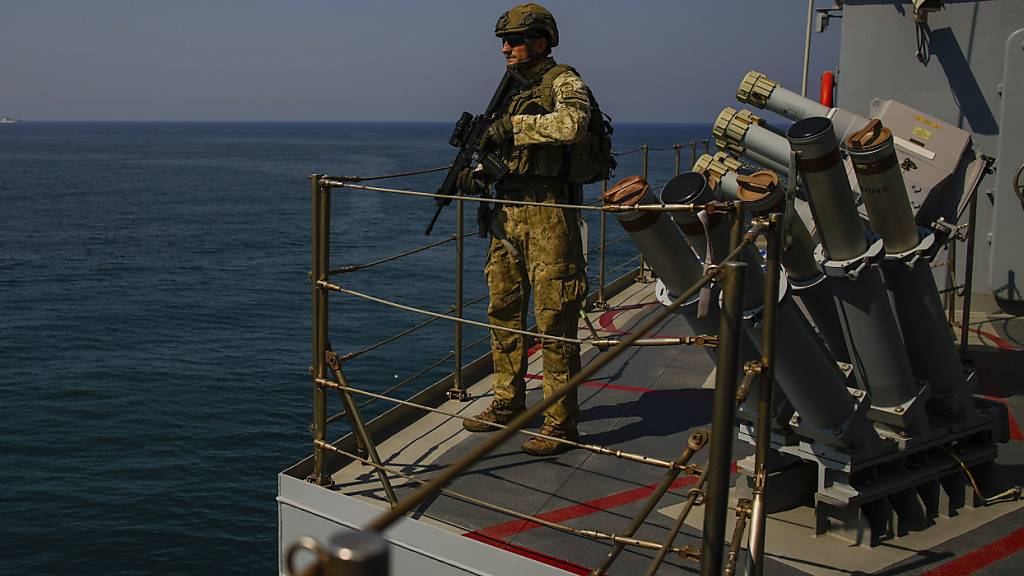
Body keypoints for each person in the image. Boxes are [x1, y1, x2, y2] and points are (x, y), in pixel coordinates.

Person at [456, 3, 590, 456]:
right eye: (504, 42)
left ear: (541, 41)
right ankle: (507, 402)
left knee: (554, 317)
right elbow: (503, 151)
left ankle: (559, 422)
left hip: (549, 210)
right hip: (508, 211)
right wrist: (476, 172)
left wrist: (510, 127)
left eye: (514, 40)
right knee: (503, 309)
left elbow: (572, 124)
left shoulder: (563, 82)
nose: (506, 49)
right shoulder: (511, 91)